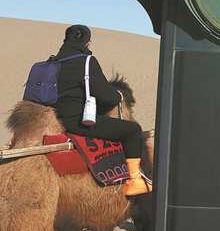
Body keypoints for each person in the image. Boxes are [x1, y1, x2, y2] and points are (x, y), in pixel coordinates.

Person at [53, 25, 149, 196]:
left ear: (65, 41)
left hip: (53, 118)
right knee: (133, 130)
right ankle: (134, 180)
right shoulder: (86, 61)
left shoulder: (53, 62)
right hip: (75, 122)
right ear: (87, 43)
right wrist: (117, 96)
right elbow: (105, 96)